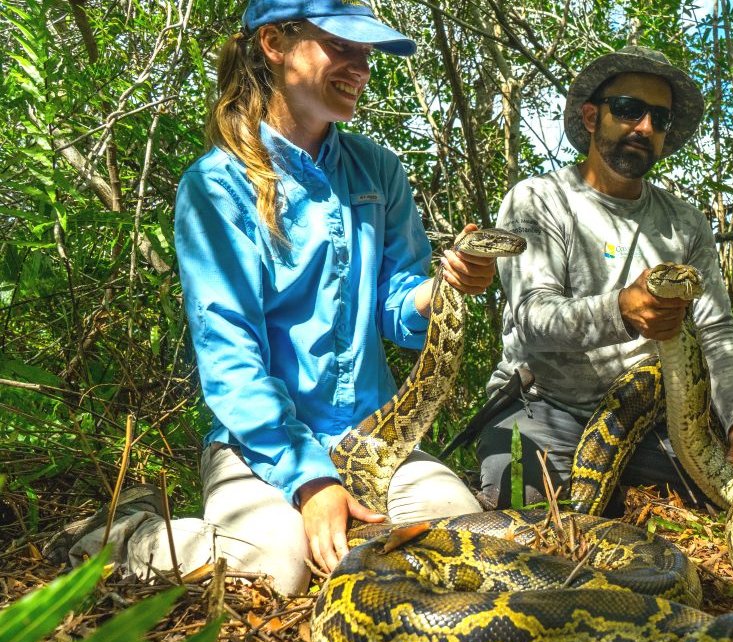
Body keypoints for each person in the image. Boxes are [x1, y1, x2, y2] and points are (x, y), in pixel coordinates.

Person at [70, 0, 496, 594]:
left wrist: (441, 289)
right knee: (280, 565)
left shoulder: (378, 171)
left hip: (374, 435)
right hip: (259, 446)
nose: (361, 66)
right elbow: (230, 360)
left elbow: (398, 311)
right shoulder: (217, 187)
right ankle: (123, 533)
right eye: (342, 46)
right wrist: (313, 482)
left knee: (467, 537)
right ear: (274, 44)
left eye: (368, 53)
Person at [475, 46, 733, 509]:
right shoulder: (538, 199)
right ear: (592, 117)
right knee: (518, 500)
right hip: (545, 404)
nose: (645, 127)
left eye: (660, 117)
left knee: (729, 503)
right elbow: (533, 317)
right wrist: (622, 310)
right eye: (630, 109)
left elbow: (716, 330)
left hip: (650, 414)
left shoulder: (685, 222)